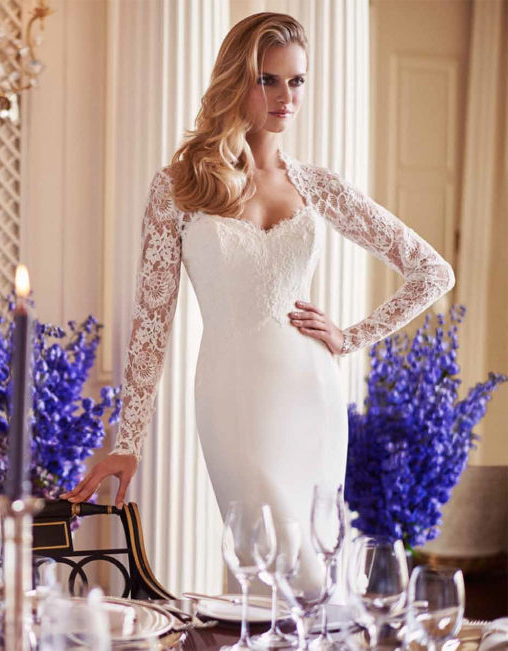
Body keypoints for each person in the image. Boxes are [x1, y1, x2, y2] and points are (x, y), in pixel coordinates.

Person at [63, 10, 453, 593]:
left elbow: (433, 271)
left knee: (316, 570)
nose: (286, 97)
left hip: (312, 395)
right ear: (236, 81)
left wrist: (351, 337)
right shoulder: (179, 187)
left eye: (296, 81)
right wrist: (128, 443)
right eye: (268, 79)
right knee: (278, 564)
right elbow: (152, 321)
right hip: (234, 399)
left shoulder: (318, 185)